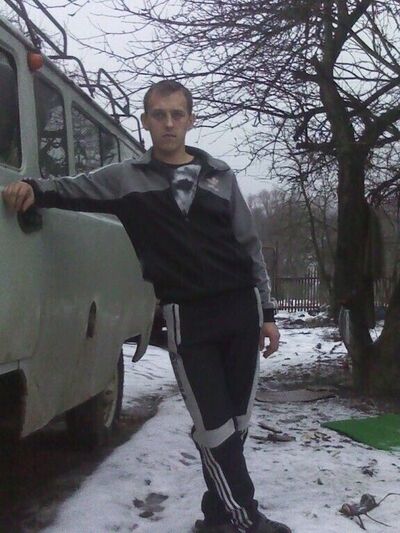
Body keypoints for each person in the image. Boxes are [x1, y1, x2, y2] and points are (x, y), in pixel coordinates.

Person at [2, 80, 291, 533]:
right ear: (147, 121)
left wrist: (268, 314)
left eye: (177, 114)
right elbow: (72, 188)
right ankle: (245, 518)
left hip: (242, 309)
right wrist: (32, 188)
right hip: (188, 318)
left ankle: (217, 515)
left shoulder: (220, 176)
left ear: (190, 119)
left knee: (236, 422)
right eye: (159, 114)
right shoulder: (126, 178)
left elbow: (249, 247)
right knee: (213, 425)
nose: (169, 123)